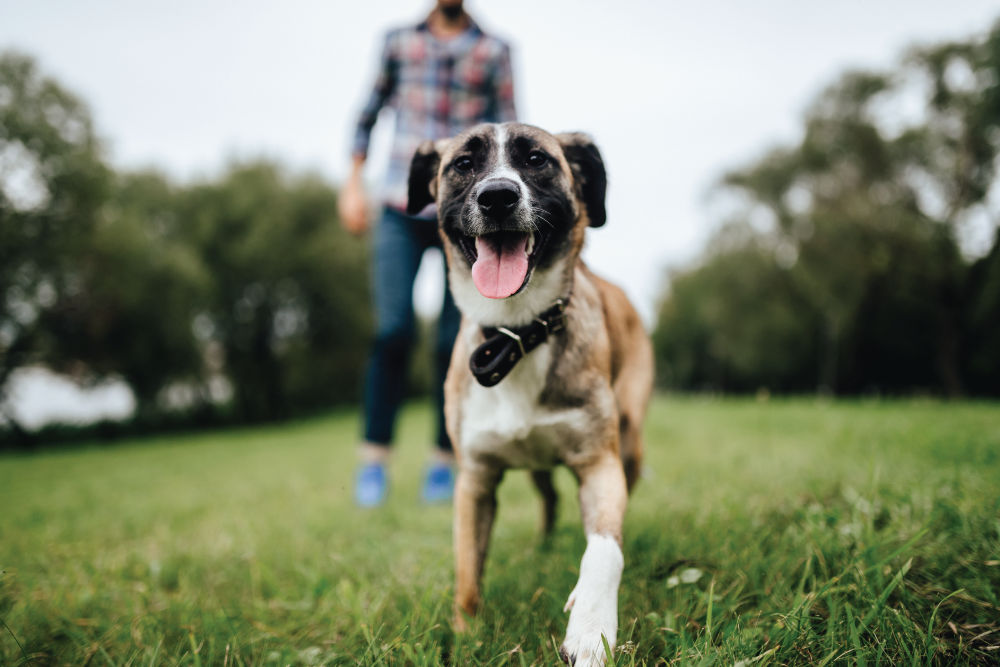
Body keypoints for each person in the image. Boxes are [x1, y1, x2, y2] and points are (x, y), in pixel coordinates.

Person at [340, 0, 517, 507]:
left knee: (451, 339)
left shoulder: (494, 51)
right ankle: (374, 461)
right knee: (390, 330)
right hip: (399, 203)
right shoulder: (398, 42)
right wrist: (353, 185)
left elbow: (509, 128)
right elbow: (367, 116)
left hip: (465, 212)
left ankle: (444, 461)